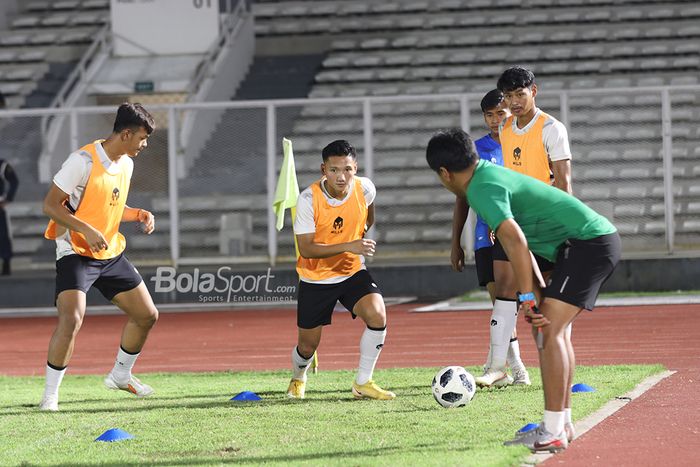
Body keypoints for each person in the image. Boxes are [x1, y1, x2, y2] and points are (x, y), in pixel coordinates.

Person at [426, 128, 620, 453]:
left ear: (445, 174)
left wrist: (528, 298)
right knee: (550, 333)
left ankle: (554, 429)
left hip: (589, 244)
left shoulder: (481, 188)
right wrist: (538, 291)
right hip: (581, 245)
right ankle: (562, 424)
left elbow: (515, 240)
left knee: (550, 333)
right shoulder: (486, 176)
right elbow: (522, 242)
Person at [39, 103, 159, 411]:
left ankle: (121, 375)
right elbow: (50, 206)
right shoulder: (80, 161)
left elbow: (112, 205)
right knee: (72, 317)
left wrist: (138, 214)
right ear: (126, 134)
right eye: (142, 138)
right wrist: (86, 230)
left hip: (109, 252)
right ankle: (50, 396)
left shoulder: (126, 164)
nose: (144, 145)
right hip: (75, 251)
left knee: (147, 315)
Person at [473, 67, 574, 390]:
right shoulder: (505, 128)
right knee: (504, 289)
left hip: (545, 224)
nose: (515, 102)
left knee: (550, 300)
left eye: (520, 94)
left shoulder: (552, 128)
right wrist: (498, 215)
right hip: (513, 222)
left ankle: (557, 362)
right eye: (509, 97)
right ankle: (497, 366)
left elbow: (563, 183)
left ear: (534, 91)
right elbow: (505, 179)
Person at [287, 139, 395, 401]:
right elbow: (307, 249)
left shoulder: (365, 187)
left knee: (377, 314)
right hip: (316, 278)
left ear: (355, 167)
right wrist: (351, 244)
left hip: (352, 272)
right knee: (307, 346)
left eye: (347, 169)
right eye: (334, 170)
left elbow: (369, 212)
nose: (341, 176)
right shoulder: (308, 199)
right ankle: (298, 377)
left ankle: (363, 383)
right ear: (323, 169)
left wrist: (360, 235)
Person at [451, 89, 530, 387]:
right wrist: (455, 240)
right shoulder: (476, 150)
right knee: (501, 302)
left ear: (511, 111)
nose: (496, 120)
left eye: (501, 113)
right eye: (490, 115)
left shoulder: (523, 144)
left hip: (520, 232)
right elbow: (462, 197)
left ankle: (497, 363)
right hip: (487, 235)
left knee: (515, 303)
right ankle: (514, 366)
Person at [0, 92, 19, 276]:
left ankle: (6, 265)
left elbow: (14, 181)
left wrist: (7, 198)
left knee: (4, 236)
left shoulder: (2, 164)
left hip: (0, 205)